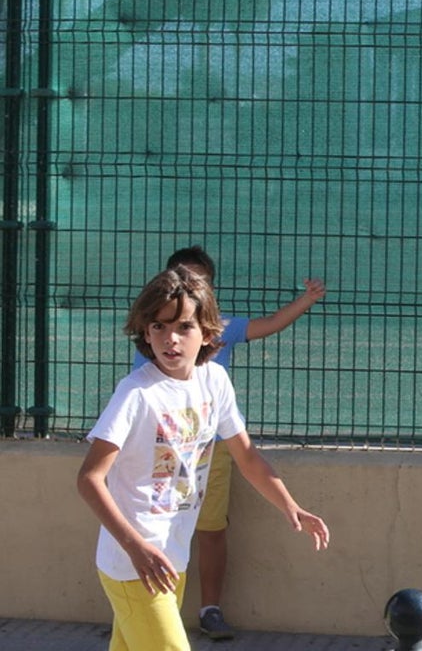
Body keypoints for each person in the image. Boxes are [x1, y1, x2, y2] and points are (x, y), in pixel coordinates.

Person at [78, 266, 329, 651]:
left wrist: (290, 505)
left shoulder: (214, 381)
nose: (170, 338)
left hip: (171, 558)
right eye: (159, 327)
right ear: (145, 331)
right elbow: (90, 478)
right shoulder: (136, 393)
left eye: (183, 327)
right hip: (133, 566)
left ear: (210, 333)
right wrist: (134, 547)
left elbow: (248, 458)